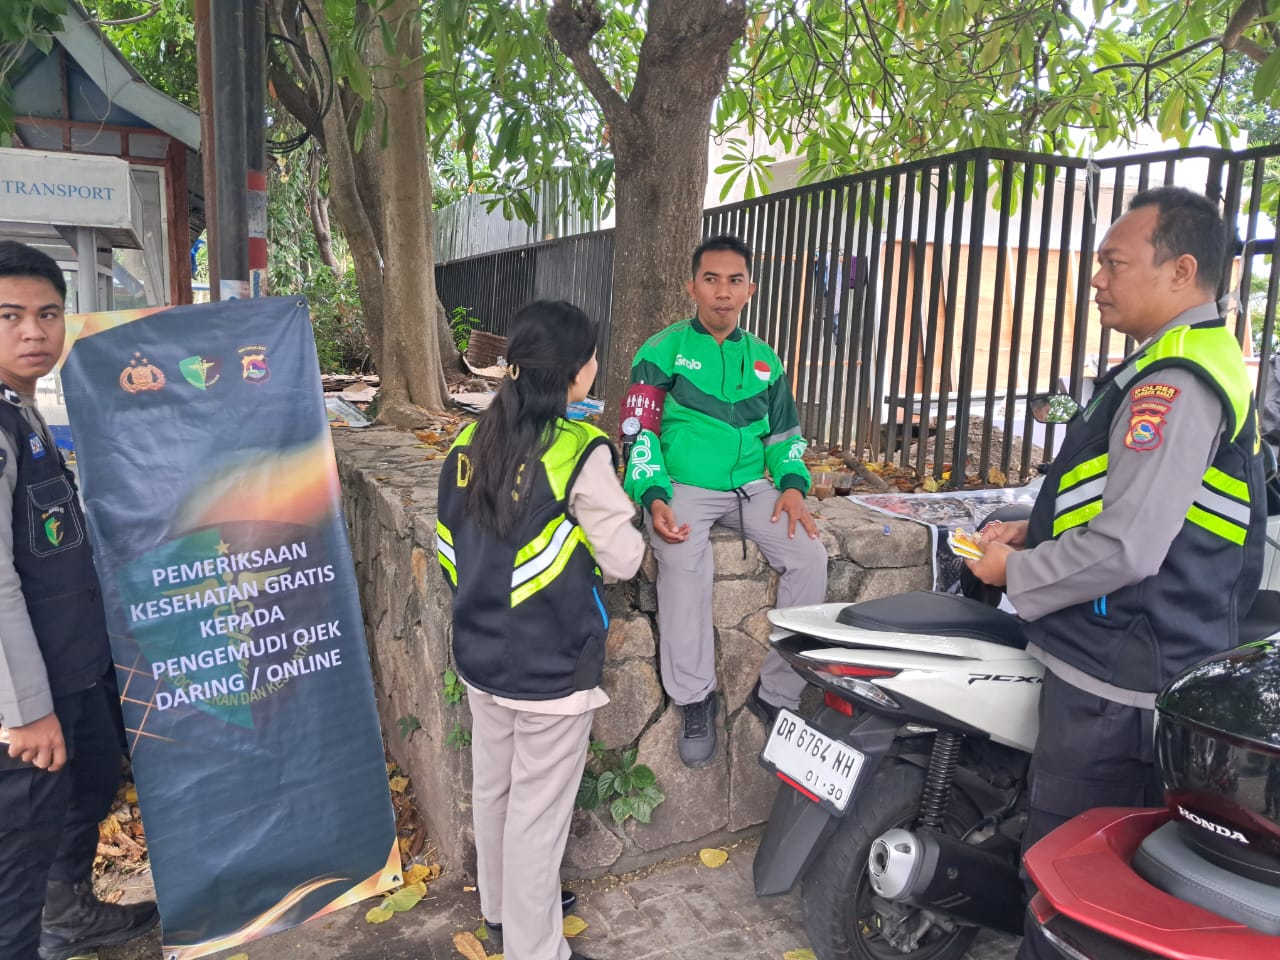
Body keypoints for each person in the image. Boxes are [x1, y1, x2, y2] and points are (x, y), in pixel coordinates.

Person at [965, 187, 1266, 960]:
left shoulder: (1176, 383)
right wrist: (1036, 523)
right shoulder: (1181, 363)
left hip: (1120, 678)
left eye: (1113, 262)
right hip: (1127, 656)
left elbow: (1128, 549)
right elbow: (1130, 500)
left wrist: (1015, 569)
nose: (1096, 278)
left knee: (1071, 890)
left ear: (1181, 271)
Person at [436, 300, 644, 960]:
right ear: (578, 374)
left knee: (494, 789)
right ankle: (536, 949)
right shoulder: (581, 452)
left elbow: (446, 546)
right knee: (537, 813)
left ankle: (500, 911)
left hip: (479, 653)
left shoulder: (466, 442)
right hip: (550, 665)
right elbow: (624, 559)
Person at [0, 241, 159, 960]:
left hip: (77, 667)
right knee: (17, 861)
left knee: (91, 782)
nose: (33, 332)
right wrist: (25, 708)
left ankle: (67, 912)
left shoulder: (26, 416)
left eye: (47, 314)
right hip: (32, 695)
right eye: (9, 316)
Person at [624, 234, 827, 768]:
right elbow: (638, 433)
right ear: (692, 286)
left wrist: (791, 484)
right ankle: (695, 698)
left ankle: (777, 694)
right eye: (711, 279)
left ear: (750, 289)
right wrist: (653, 495)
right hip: (685, 487)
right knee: (684, 560)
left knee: (809, 555)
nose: (722, 292)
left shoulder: (765, 361)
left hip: (752, 486)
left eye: (734, 280)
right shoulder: (659, 351)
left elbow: (786, 437)